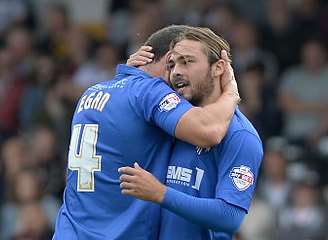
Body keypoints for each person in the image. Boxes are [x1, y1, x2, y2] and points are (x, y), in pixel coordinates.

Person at [52, 25, 240, 240]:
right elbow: (209, 132)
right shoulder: (149, 91)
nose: (180, 74)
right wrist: (231, 93)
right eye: (179, 62)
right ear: (170, 58)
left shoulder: (93, 91)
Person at [119, 27, 263, 239]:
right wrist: (131, 79)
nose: (176, 71)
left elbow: (230, 216)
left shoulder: (240, 135)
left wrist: (161, 193)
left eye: (187, 61)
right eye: (172, 64)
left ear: (218, 68)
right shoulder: (169, 122)